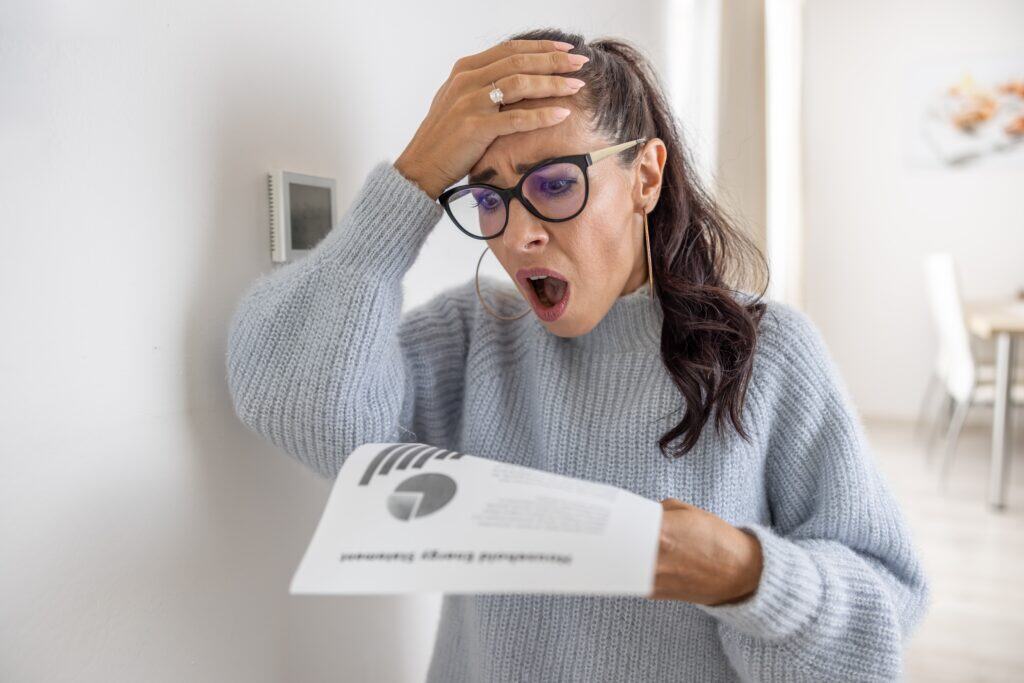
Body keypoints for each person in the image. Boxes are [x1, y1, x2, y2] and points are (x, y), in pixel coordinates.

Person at [226, 28, 929, 682]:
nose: (519, 235)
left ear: (645, 178)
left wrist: (746, 575)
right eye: (488, 196)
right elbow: (294, 402)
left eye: (556, 183)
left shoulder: (767, 354)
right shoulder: (475, 336)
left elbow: (884, 613)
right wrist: (413, 180)